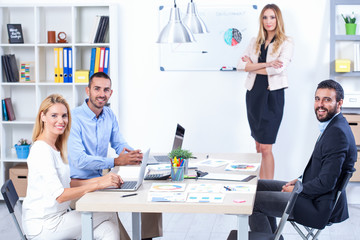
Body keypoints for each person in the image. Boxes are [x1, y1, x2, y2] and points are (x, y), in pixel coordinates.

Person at [249, 80, 357, 234]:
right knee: (257, 186)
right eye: (317, 99)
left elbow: (327, 182)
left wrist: (296, 190)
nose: (320, 104)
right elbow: (323, 170)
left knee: (254, 203)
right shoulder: (334, 125)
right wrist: (298, 181)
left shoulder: (337, 133)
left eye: (327, 100)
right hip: (314, 195)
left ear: (339, 103)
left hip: (317, 205)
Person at [67, 72, 162, 240]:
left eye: (106, 90)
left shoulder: (109, 115)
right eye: (97, 89)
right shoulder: (74, 118)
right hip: (79, 185)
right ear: (87, 91)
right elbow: (79, 160)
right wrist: (116, 161)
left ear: (111, 93)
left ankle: (148, 237)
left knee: (148, 191)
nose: (101, 94)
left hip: (101, 178)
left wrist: (134, 155)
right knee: (112, 215)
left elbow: (119, 144)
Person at [22, 94, 123, 239]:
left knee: (108, 229)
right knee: (108, 211)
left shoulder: (55, 147)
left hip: (59, 217)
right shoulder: (41, 150)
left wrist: (104, 182)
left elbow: (68, 182)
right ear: (42, 117)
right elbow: (60, 196)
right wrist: (98, 183)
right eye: (54, 115)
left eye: (64, 116)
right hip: (44, 225)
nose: (61, 120)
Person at [237, 4, 294, 179]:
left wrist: (252, 66)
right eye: (265, 17)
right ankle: (260, 187)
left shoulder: (286, 42)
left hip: (272, 96)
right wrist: (268, 64)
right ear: (261, 20)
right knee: (257, 147)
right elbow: (240, 66)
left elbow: (278, 69)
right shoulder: (255, 41)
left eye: (272, 17)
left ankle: (268, 189)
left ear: (278, 19)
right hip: (254, 95)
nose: (268, 21)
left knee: (266, 147)